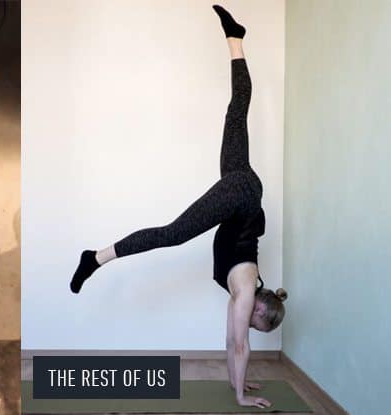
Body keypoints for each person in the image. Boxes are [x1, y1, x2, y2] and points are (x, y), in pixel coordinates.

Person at [69, 6, 286, 409]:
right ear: (260, 310)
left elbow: (230, 342)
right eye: (259, 325)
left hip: (244, 188)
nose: (252, 329)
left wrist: (239, 384)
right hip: (241, 195)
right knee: (171, 234)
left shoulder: (245, 290)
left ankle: (235, 39)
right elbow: (240, 346)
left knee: (237, 109)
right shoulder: (243, 294)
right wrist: (241, 397)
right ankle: (95, 258)